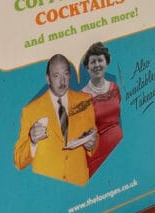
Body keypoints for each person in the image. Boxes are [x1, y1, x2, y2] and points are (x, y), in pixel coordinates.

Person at [12, 54, 97, 186]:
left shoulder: (85, 100)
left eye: (66, 75)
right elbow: (18, 161)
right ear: (48, 79)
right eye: (56, 76)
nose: (62, 82)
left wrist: (91, 144)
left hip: (79, 186)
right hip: (47, 191)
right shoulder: (30, 111)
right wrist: (32, 141)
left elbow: (94, 138)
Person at [80, 43, 123, 171]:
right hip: (98, 155)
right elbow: (81, 132)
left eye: (100, 60)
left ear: (106, 63)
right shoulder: (81, 97)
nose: (97, 65)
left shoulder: (115, 87)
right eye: (93, 62)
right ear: (87, 67)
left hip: (121, 146)